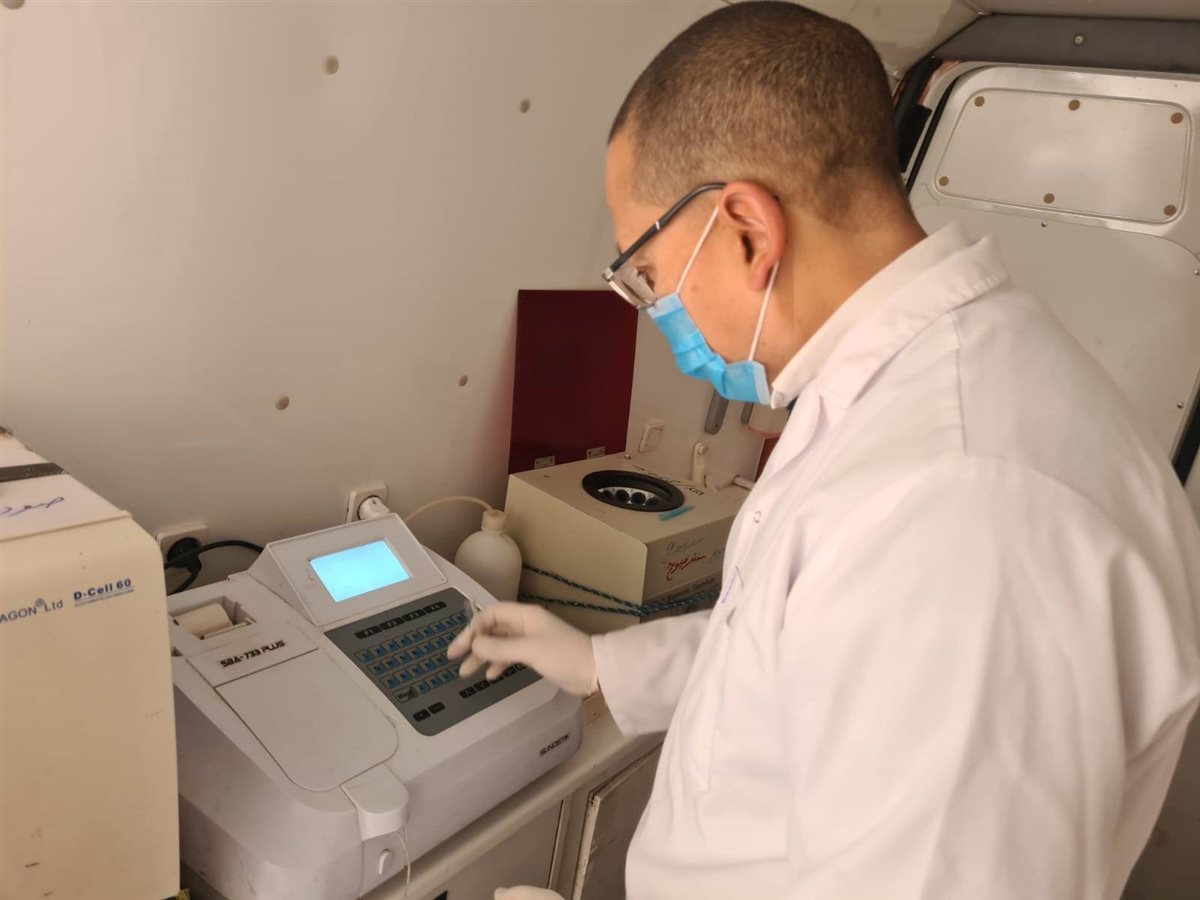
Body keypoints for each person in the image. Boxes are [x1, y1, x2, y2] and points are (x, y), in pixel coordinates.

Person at [449, 3, 1200, 898]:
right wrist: (601, 664)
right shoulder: (907, 387)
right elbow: (801, 651)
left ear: (747, 232)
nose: (654, 311)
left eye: (646, 273)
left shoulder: (964, 503)